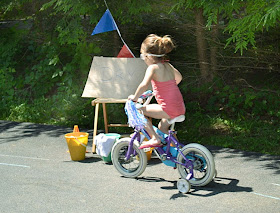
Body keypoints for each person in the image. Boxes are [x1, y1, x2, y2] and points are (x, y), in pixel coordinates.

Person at [128, 34, 185, 149]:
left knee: (139, 111)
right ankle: (179, 152)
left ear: (148, 56)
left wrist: (134, 98)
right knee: (163, 128)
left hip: (168, 109)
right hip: (180, 107)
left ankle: (155, 138)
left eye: (143, 57)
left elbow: (144, 85)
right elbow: (178, 78)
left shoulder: (152, 68)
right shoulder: (168, 65)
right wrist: (164, 88)